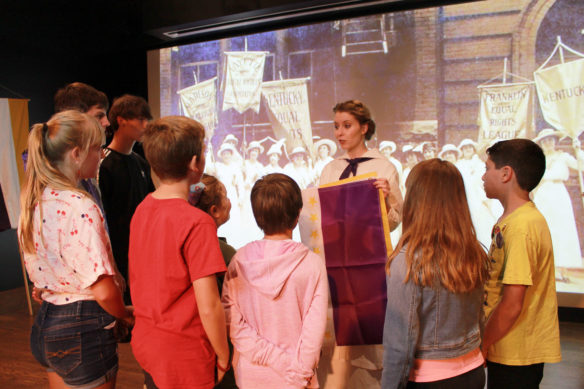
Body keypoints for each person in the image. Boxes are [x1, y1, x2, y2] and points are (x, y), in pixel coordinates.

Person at [18, 110, 133, 389]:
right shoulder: (79, 205)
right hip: (83, 330)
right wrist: (124, 314)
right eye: (97, 149)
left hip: (47, 323)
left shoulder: (37, 200)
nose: (101, 156)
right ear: (76, 154)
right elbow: (103, 289)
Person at [129, 116, 230, 389]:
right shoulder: (197, 222)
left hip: (148, 342)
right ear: (195, 163)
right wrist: (223, 354)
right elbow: (209, 306)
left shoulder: (142, 209)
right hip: (184, 351)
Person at [382, 158, 489, 389]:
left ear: (416, 200)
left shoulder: (408, 261)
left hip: (429, 379)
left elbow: (400, 343)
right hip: (473, 371)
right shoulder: (473, 252)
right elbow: (479, 317)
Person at [318, 100, 403, 389]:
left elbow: (394, 221)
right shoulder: (330, 169)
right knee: (340, 327)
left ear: (364, 128)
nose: (340, 133)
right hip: (337, 262)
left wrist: (388, 196)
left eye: (347, 126)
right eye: (336, 127)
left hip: (371, 261)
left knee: (371, 323)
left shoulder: (383, 167)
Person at [222, 173, 328, 388]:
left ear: (257, 216)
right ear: (298, 214)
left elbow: (232, 322)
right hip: (298, 378)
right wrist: (296, 373)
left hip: (252, 376)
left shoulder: (239, 260)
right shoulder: (311, 264)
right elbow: (313, 331)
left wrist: (274, 359)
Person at [481, 139, 561, 389]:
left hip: (515, 352)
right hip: (507, 347)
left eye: (488, 168)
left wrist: (483, 344)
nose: (483, 176)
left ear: (506, 174)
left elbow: (513, 302)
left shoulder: (522, 226)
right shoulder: (514, 220)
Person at [98, 94, 154, 303]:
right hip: (117, 254)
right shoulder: (103, 163)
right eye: (140, 119)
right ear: (121, 120)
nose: (146, 125)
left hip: (142, 250)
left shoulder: (140, 163)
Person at [193, 173, 237, 389]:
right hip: (219, 345)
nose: (230, 201)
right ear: (215, 211)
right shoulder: (225, 253)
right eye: (226, 197)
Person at [532, 128, 583, 282]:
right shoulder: (538, 161)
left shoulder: (563, 157)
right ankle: (546, 269)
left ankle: (562, 268)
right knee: (545, 229)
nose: (548, 143)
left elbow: (580, 165)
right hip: (543, 194)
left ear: (555, 142)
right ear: (541, 143)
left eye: (551, 140)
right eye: (545, 141)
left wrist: (578, 149)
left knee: (562, 228)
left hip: (559, 193)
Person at [54, 82, 110, 210]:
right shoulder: (56, 186)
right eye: (99, 116)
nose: (107, 123)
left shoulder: (87, 177)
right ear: (75, 118)